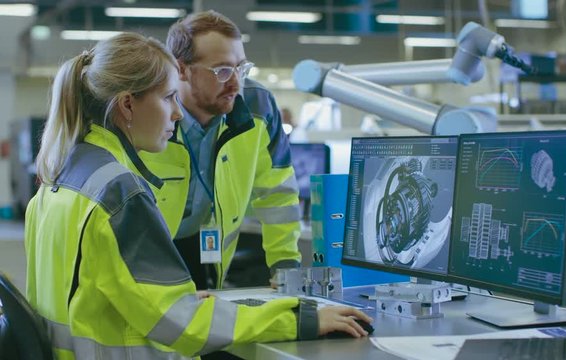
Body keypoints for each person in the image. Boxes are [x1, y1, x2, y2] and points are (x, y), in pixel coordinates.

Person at [24, 32, 373, 359]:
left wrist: (176, 301)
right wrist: (300, 319)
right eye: (168, 97)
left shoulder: (63, 177)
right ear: (127, 105)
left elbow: (99, 293)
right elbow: (183, 325)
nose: (177, 112)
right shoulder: (119, 192)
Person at [141, 10, 303, 290]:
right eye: (222, 71)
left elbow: (278, 195)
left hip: (208, 253)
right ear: (181, 69)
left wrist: (285, 267)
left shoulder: (258, 107)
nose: (236, 83)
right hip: (146, 254)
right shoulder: (148, 110)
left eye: (241, 68)